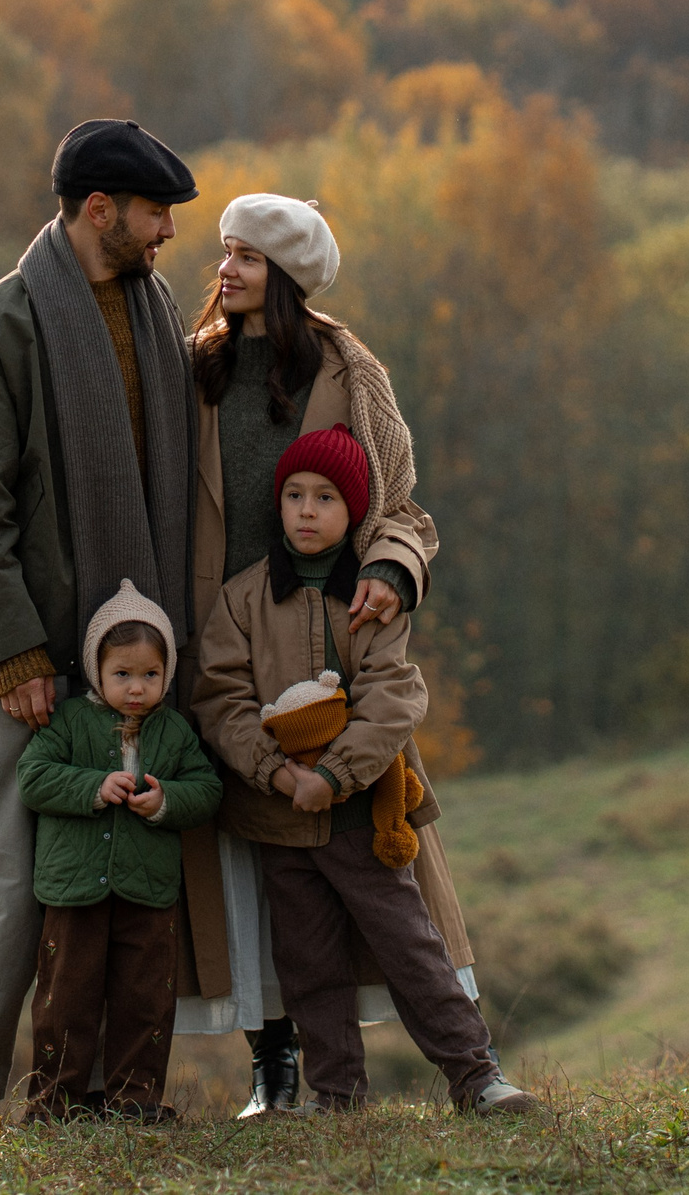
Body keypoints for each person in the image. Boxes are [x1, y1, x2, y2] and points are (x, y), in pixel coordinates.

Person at [171, 194, 477, 1116]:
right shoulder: (195, 365)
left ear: (288, 275)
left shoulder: (351, 370)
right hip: (225, 635)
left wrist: (391, 568)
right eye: (225, 252)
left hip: (330, 638)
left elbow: (400, 504)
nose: (225, 270)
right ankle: (274, 1070)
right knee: (249, 870)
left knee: (363, 871)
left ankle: (461, 1066)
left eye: (246, 257)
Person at [0, 119, 200, 1117]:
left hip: (129, 652)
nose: (168, 231)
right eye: (155, 211)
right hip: (21, 651)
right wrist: (18, 652)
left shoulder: (156, 314)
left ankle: (88, 1088)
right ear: (99, 208)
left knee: (106, 872)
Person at [194, 427, 535, 1114]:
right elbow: (220, 698)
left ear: (353, 511)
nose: (307, 510)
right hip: (279, 819)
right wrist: (278, 774)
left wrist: (335, 775)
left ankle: (477, 1076)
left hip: (362, 816)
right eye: (294, 495)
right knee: (308, 963)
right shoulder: (243, 597)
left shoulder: (372, 597)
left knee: (411, 948)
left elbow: (393, 694)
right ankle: (338, 1096)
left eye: (325, 498)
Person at [17, 580, 222, 1120]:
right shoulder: (68, 721)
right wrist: (92, 786)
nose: (136, 688)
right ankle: (54, 1103)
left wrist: (165, 800)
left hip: (148, 891)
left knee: (145, 998)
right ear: (96, 671)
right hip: (74, 890)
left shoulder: (174, 732)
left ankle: (135, 1100)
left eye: (150, 675)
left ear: (167, 674)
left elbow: (207, 790)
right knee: (65, 998)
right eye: (122, 674)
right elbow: (32, 777)